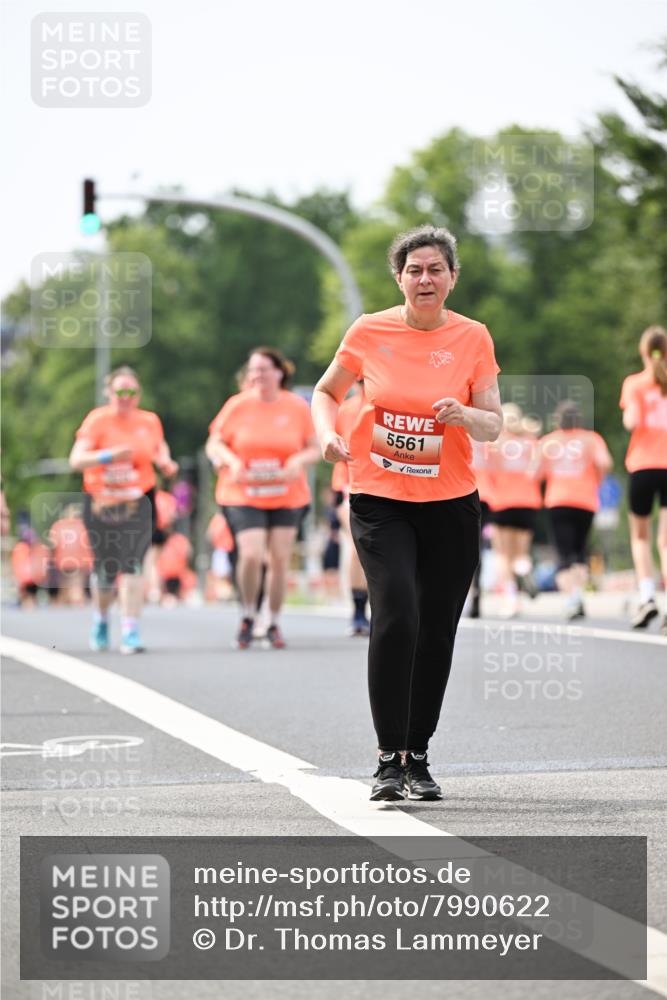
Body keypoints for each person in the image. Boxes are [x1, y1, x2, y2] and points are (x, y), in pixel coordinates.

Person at [311, 224, 502, 802]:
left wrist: (464, 416)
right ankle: (386, 759)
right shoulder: (370, 331)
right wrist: (325, 434)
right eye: (414, 269)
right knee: (396, 613)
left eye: (435, 269)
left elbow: (493, 422)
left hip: (450, 502)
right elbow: (325, 391)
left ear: (451, 278)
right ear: (399, 278)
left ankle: (418, 755)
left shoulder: (473, 338)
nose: (425, 278)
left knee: (438, 628)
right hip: (379, 497)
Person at [206, 347, 320, 649]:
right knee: (252, 553)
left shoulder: (296, 407)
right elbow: (214, 443)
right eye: (253, 370)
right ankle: (247, 614)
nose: (257, 375)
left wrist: (297, 462)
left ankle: (272, 621)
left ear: (279, 372)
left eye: (263, 369)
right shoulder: (237, 406)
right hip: (242, 492)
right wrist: (231, 461)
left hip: (286, 494)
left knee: (280, 558)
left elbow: (315, 447)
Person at [69, 366, 179, 653]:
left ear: (138, 394)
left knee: (133, 565)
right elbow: (76, 460)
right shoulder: (97, 421)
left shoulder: (149, 421)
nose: (125, 397)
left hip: (139, 501)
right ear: (109, 393)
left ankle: (130, 631)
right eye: (120, 391)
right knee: (106, 572)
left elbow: (159, 447)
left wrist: (166, 462)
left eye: (131, 391)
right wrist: (109, 456)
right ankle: (102, 618)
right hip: (102, 503)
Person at [539, 401, 613, 619]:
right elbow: (605, 463)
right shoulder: (591, 439)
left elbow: (535, 473)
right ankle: (578, 595)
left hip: (558, 500)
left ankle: (571, 598)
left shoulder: (549, 441)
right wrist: (597, 480)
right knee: (580, 550)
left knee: (563, 553)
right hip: (586, 500)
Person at [620, 325, 667, 633]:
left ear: (643, 351)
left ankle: (647, 596)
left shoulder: (635, 383)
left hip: (642, 466)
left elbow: (631, 422)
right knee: (666, 539)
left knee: (641, 536)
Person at [487, 403, 541, 617]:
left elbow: (488, 472)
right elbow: (537, 472)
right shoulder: (531, 443)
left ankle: (511, 600)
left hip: (502, 502)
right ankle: (525, 569)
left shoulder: (496, 444)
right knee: (521, 553)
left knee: (502, 555)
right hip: (528, 502)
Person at [331, 382, 370, 634]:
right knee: (361, 546)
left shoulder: (398, 402)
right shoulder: (347, 409)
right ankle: (358, 611)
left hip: (393, 486)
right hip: (352, 485)